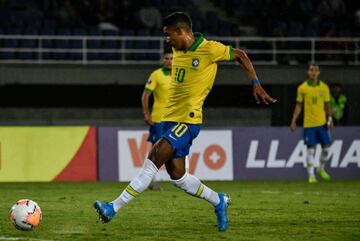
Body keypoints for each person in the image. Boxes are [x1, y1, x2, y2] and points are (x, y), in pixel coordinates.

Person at [94, 12, 276, 232]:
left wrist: (255, 83)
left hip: (188, 120)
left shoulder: (209, 49)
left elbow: (240, 55)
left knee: (153, 159)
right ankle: (218, 201)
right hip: (170, 120)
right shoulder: (177, 49)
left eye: (168, 35)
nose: (166, 41)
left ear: (181, 32)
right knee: (177, 175)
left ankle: (112, 208)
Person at [290, 64, 333, 184]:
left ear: (319, 73)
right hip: (309, 125)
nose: (313, 72)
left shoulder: (324, 87)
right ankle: (311, 175)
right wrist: (294, 120)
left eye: (315, 70)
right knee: (311, 150)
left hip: (322, 123)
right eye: (311, 70)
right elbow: (298, 105)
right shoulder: (302, 88)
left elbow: (327, 104)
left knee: (327, 149)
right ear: (307, 72)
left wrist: (330, 119)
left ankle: (321, 168)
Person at [141, 49, 173, 190]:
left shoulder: (180, 74)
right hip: (159, 118)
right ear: (162, 60)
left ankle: (179, 177)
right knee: (156, 149)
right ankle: (150, 179)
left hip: (175, 118)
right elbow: (145, 95)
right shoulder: (157, 74)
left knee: (175, 147)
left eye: (172, 58)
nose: (169, 60)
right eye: (166, 58)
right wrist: (147, 114)